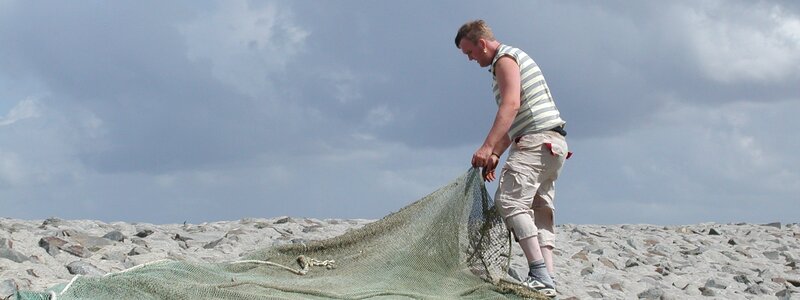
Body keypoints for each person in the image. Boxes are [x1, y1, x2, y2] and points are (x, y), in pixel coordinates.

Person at [455, 20, 570, 297]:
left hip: (534, 143)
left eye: (469, 52)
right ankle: (548, 280)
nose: (471, 59)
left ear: (481, 44)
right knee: (539, 209)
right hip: (553, 145)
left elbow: (511, 106)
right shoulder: (514, 57)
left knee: (509, 202)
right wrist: (496, 152)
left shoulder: (505, 60)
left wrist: (486, 147)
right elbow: (520, 119)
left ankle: (539, 274)